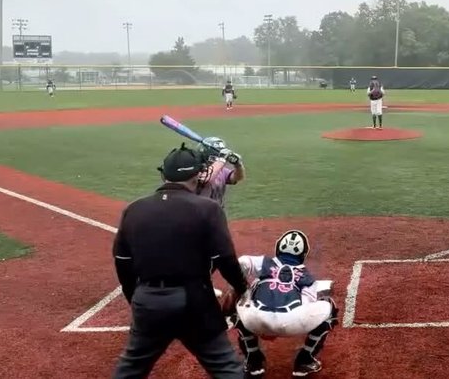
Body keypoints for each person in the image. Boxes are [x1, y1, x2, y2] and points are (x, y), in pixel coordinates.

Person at [111, 143, 248, 378]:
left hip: (149, 300)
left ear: (164, 174)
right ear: (198, 174)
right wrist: (242, 288)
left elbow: (122, 261)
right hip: (195, 300)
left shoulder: (133, 210)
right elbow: (224, 258)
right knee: (226, 368)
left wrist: (136, 298)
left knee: (130, 370)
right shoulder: (208, 208)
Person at [218, 230, 338, 378]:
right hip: (291, 324)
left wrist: (238, 287)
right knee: (328, 305)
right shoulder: (307, 277)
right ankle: (304, 361)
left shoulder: (264, 262)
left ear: (278, 248)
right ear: (303, 254)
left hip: (254, 320)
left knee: (243, 293)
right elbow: (306, 303)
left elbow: (241, 262)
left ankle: (253, 361)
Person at [197, 136, 245, 209]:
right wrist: (221, 160)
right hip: (199, 212)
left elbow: (237, 178)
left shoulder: (221, 170)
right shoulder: (196, 169)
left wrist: (238, 165)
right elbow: (205, 179)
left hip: (217, 212)